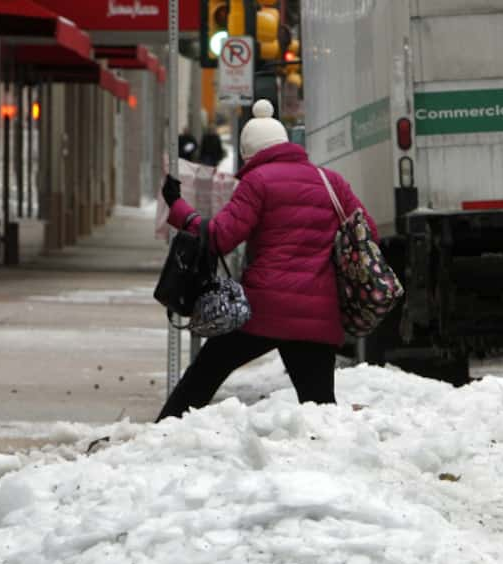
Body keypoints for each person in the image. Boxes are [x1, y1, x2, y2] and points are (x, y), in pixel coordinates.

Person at [157, 99, 378, 421]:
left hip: (264, 308)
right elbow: (367, 231)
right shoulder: (331, 181)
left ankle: (163, 432)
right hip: (317, 310)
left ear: (250, 153)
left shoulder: (257, 182)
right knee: (320, 410)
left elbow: (220, 237)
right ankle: (328, 460)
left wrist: (178, 208)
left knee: (204, 375)